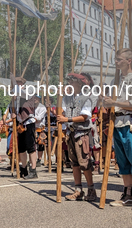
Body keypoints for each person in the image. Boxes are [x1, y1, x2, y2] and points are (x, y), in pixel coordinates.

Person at [102, 48, 132, 211]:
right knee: (122, 162)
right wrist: (107, 102)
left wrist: (114, 103)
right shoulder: (117, 80)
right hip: (117, 122)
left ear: (128, 61)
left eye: (119, 59)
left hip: (131, 123)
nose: (116, 62)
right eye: (115, 59)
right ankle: (128, 195)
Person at [56, 72, 98, 202]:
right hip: (71, 132)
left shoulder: (87, 97)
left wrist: (66, 119)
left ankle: (91, 190)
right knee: (74, 163)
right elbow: (61, 111)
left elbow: (84, 116)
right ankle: (78, 190)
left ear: (79, 83)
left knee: (84, 163)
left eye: (72, 81)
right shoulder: (67, 98)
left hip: (82, 134)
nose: (69, 84)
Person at [13, 76, 39, 180]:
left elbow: (23, 94)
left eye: (18, 82)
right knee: (21, 149)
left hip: (29, 122)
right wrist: (13, 113)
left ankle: (33, 170)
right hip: (20, 124)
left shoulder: (29, 89)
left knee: (30, 147)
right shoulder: (15, 94)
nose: (17, 84)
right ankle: (24, 169)